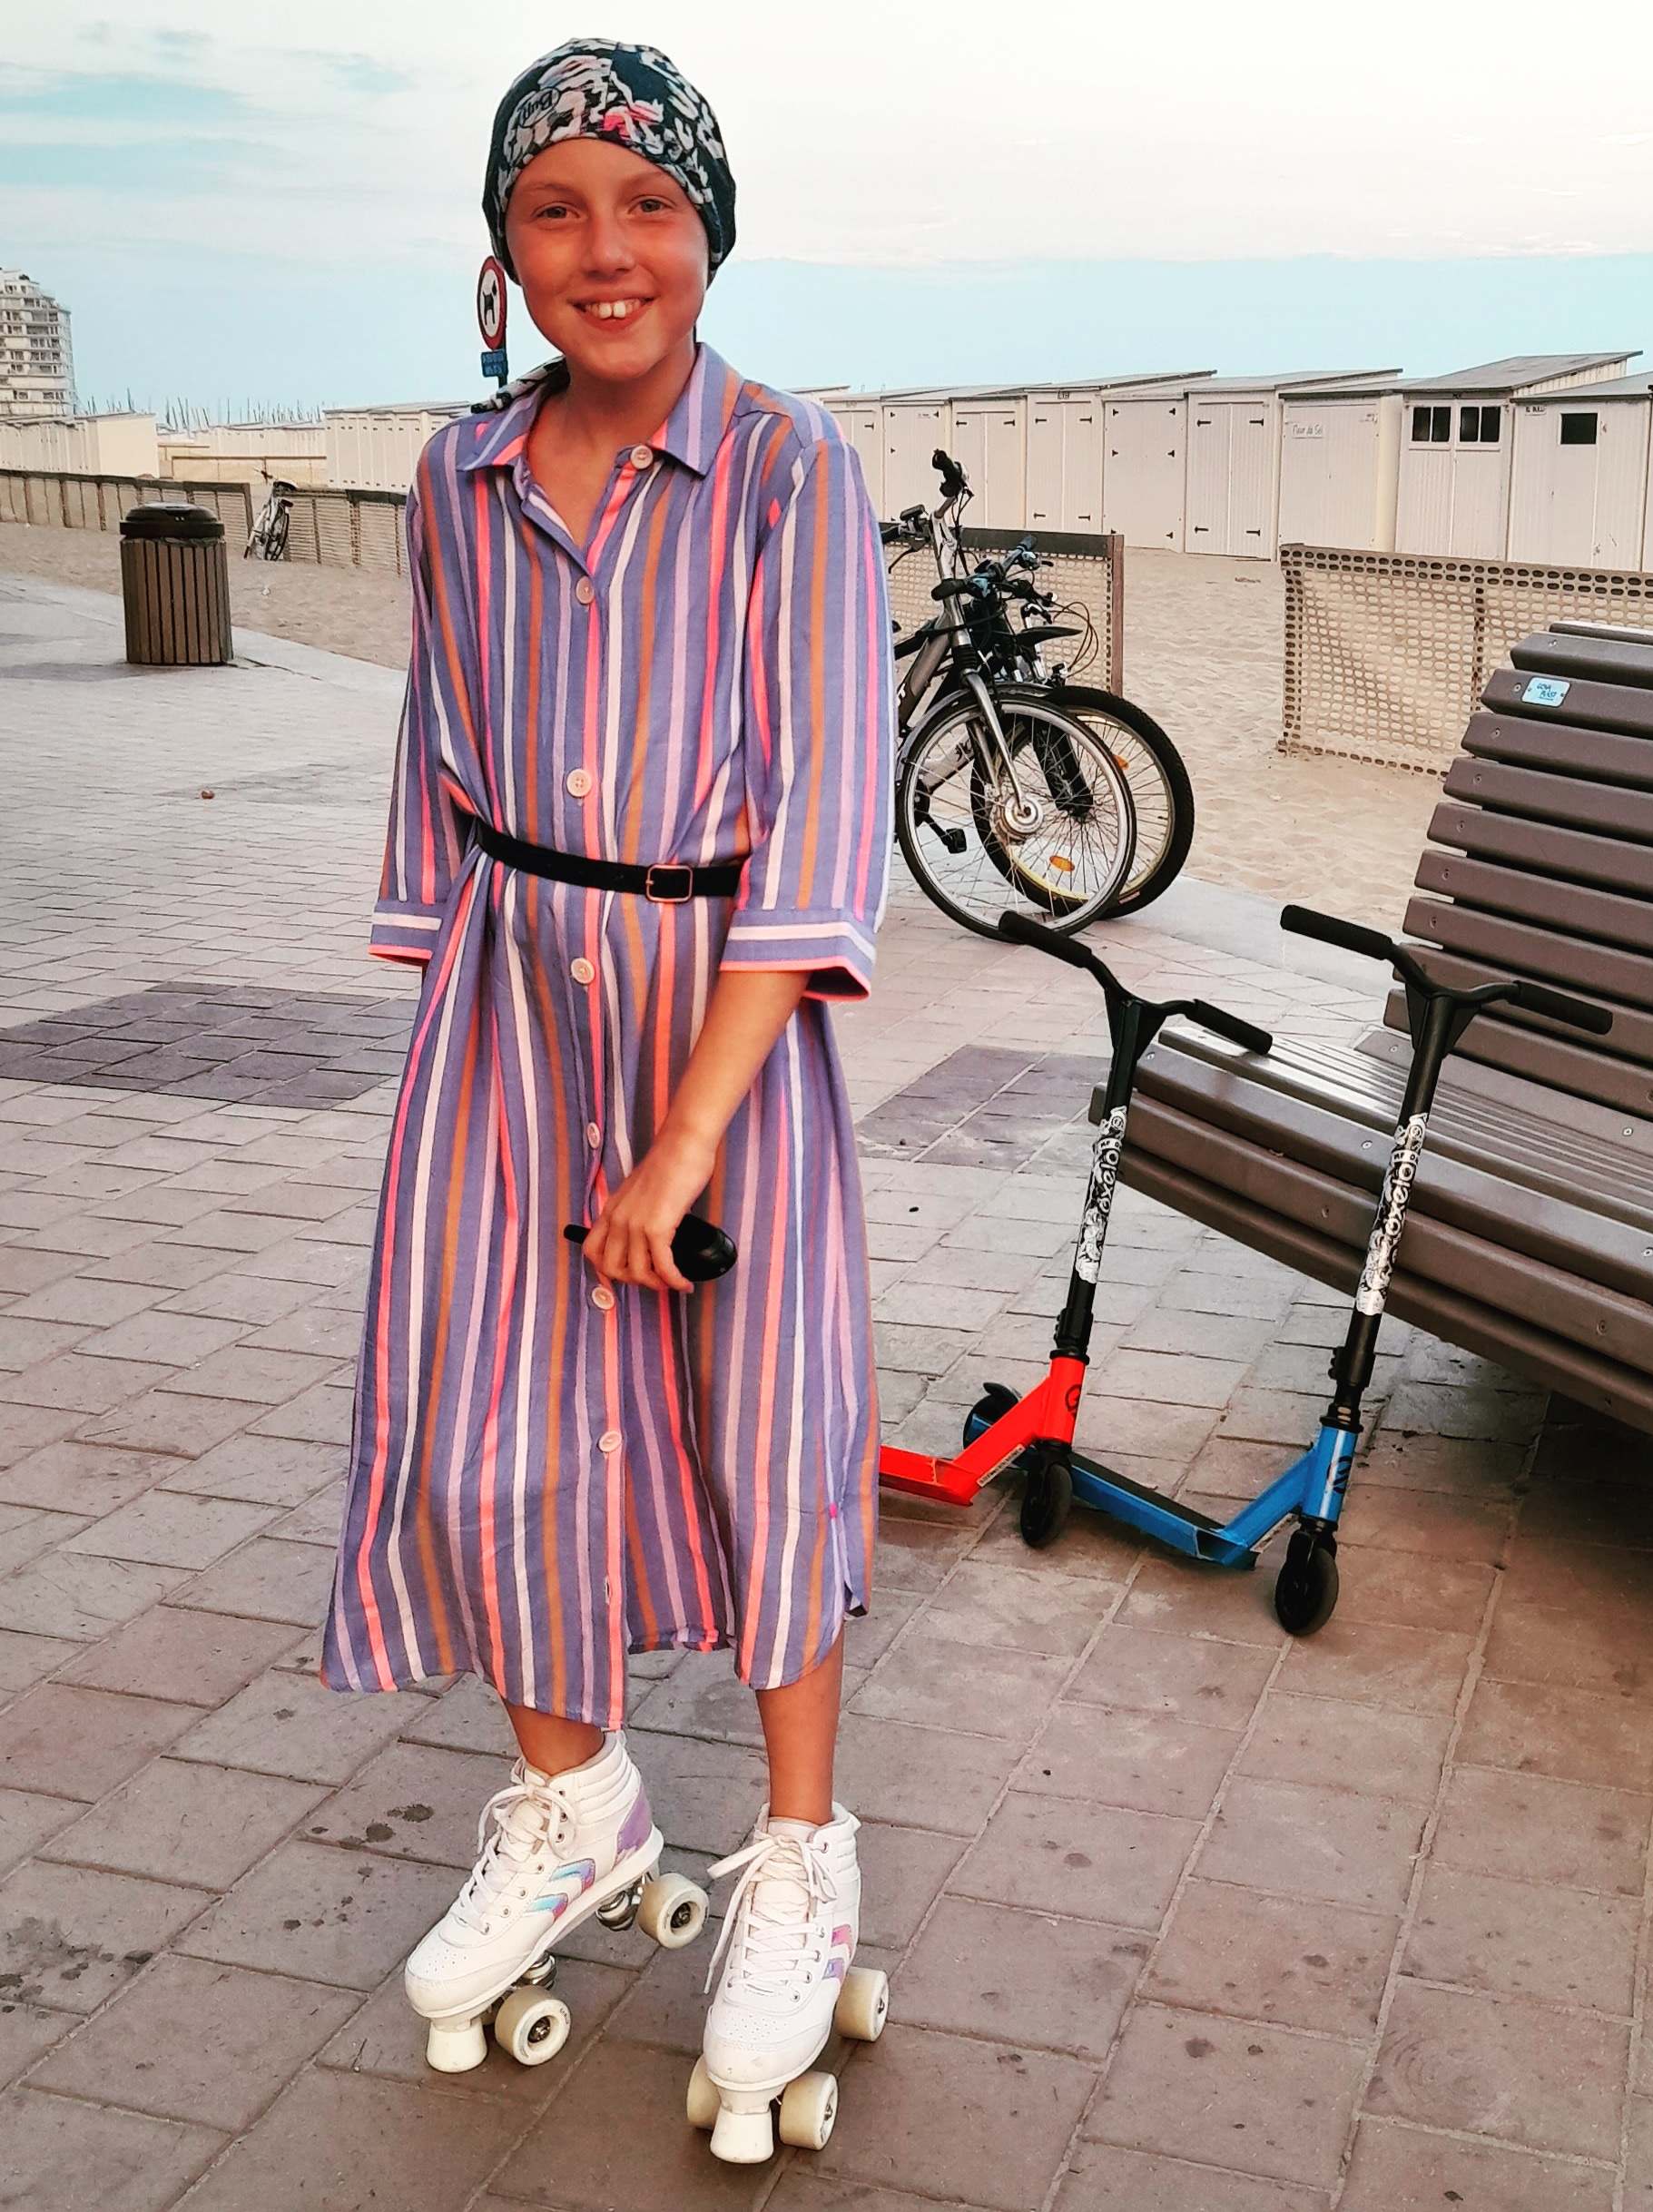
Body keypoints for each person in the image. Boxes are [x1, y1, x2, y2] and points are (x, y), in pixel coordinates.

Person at [320, 38, 892, 2156]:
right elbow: (436, 741)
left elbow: (822, 818)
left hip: (714, 1017)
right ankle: (571, 1801)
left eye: (648, 204)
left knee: (762, 1429)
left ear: (709, 234)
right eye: (553, 208)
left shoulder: (788, 470)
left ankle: (803, 1854)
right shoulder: (453, 479)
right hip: (508, 1018)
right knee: (485, 1426)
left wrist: (688, 1135)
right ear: (503, 251)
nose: (605, 248)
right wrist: (447, 1009)